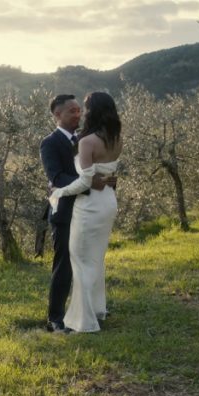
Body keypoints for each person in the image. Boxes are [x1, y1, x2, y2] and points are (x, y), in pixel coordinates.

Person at [48, 91, 122, 333]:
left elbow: (94, 175)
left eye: (81, 109)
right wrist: (97, 181)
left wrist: (94, 181)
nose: (78, 114)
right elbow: (56, 176)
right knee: (66, 264)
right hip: (76, 210)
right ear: (57, 115)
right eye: (73, 111)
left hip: (89, 208)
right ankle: (56, 317)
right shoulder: (50, 143)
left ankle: (85, 316)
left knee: (85, 261)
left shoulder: (87, 139)